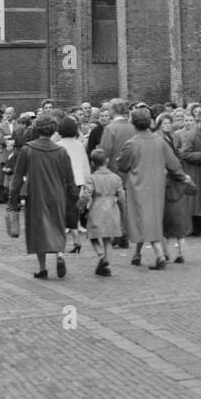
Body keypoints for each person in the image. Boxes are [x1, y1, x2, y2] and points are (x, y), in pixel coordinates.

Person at [114, 107, 194, 270]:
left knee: (143, 219)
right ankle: (137, 254)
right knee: (152, 219)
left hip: (139, 187)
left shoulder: (132, 143)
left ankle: (159, 255)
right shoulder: (160, 141)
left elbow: (122, 165)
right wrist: (182, 177)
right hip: (158, 187)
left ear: (133, 123)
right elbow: (173, 164)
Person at [9, 115, 75, 279]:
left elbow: (17, 178)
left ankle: (42, 267)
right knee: (58, 225)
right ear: (54, 130)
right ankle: (60, 255)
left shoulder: (28, 149)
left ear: (37, 129)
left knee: (38, 230)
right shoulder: (61, 151)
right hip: (57, 194)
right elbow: (70, 179)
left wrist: (13, 199)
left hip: (36, 194)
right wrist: (73, 200)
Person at [78, 148, 123, 276]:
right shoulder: (116, 178)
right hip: (112, 208)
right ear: (107, 161)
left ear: (93, 163)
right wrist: (122, 209)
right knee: (108, 239)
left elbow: (86, 195)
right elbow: (121, 196)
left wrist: (80, 207)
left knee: (93, 236)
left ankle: (101, 256)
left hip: (97, 207)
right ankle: (107, 264)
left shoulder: (91, 178)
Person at [100, 99, 137, 247]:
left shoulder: (110, 128)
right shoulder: (133, 128)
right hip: (131, 171)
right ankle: (126, 233)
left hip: (114, 171)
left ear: (113, 110)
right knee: (127, 204)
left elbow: (104, 151)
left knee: (114, 204)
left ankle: (119, 234)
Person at [159, 112, 195, 263]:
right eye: (164, 123)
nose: (167, 126)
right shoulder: (162, 139)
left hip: (172, 183)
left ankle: (176, 253)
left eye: (168, 123)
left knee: (172, 222)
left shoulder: (170, 137)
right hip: (170, 182)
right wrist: (182, 176)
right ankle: (169, 252)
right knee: (171, 222)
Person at [57, 115, 90, 254]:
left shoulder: (58, 145)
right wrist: (86, 184)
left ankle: (61, 245)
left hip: (61, 182)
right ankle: (76, 240)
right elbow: (85, 166)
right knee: (73, 212)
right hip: (77, 183)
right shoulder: (80, 145)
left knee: (60, 213)